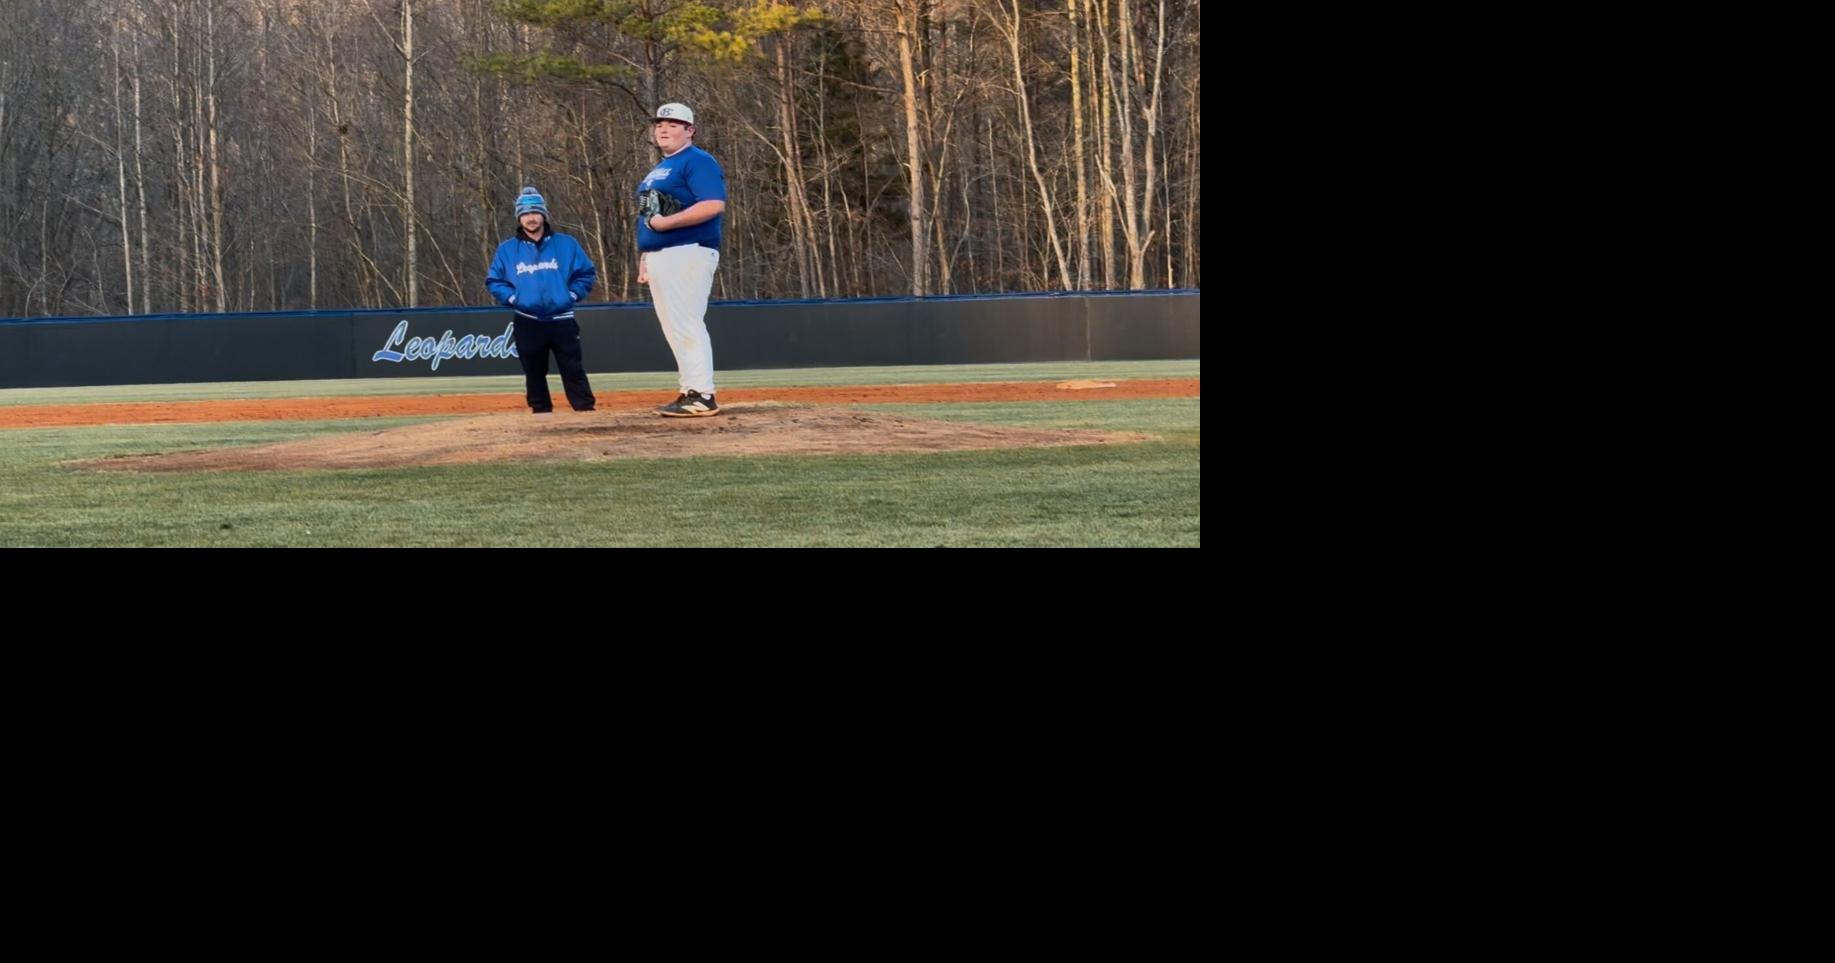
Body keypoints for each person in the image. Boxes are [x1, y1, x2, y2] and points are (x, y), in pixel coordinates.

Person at [636, 102, 726, 417]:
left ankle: (703, 394)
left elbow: (713, 204)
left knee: (686, 322)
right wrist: (648, 252)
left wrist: (666, 226)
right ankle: (690, 390)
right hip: (665, 254)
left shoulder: (697, 161)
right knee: (674, 326)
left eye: (673, 124)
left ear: (690, 130)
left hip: (689, 249)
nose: (663, 128)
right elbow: (650, 214)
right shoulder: (661, 168)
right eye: (660, 123)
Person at [486, 187, 597, 414]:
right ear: (519, 217)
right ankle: (541, 417)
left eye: (535, 212)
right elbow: (494, 280)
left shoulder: (566, 244)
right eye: (525, 214)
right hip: (528, 320)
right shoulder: (507, 249)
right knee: (534, 373)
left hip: (562, 319)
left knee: (573, 370)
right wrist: (514, 298)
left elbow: (586, 273)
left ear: (544, 214)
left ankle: (586, 414)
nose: (531, 218)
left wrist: (572, 295)